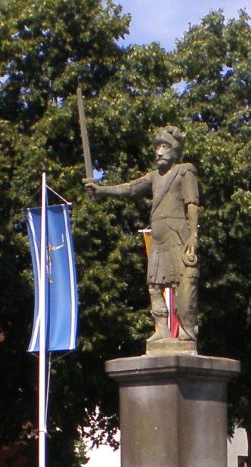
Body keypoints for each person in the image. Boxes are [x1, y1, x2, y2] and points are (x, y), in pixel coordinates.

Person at [84, 125, 200, 344]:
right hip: (158, 237)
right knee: (154, 286)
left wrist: (193, 235)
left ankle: (186, 330)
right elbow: (129, 189)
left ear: (174, 150)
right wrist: (101, 190)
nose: (158, 152)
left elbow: (192, 204)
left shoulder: (185, 170)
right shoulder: (153, 177)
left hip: (178, 236)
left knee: (183, 282)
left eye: (164, 147)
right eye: (157, 147)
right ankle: (162, 330)